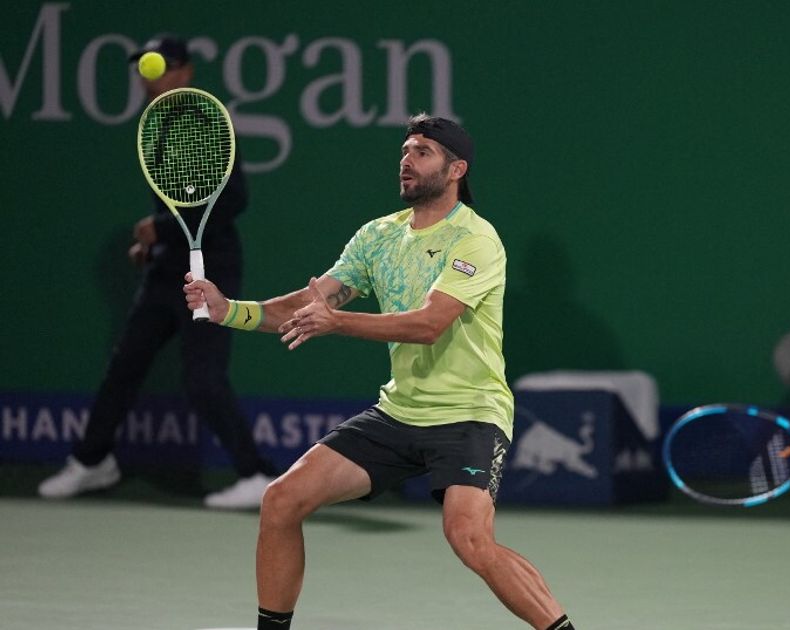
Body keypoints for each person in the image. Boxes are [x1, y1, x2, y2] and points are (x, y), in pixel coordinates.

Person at [183, 115, 576, 630]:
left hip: (470, 415)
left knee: (470, 539)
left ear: (456, 169)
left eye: (423, 152)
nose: (407, 160)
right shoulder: (378, 236)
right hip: (399, 412)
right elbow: (309, 302)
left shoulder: (476, 239)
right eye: (405, 150)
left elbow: (430, 323)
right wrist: (229, 309)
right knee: (281, 499)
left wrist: (335, 321)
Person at [38, 35, 276, 509]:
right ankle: (92, 461)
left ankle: (257, 474)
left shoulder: (204, 120)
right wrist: (154, 241)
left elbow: (233, 200)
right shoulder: (156, 124)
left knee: (204, 378)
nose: (150, 76)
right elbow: (179, 203)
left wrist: (160, 226)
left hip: (212, 268)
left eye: (162, 67)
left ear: (186, 72)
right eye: (146, 69)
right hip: (167, 269)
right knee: (123, 368)